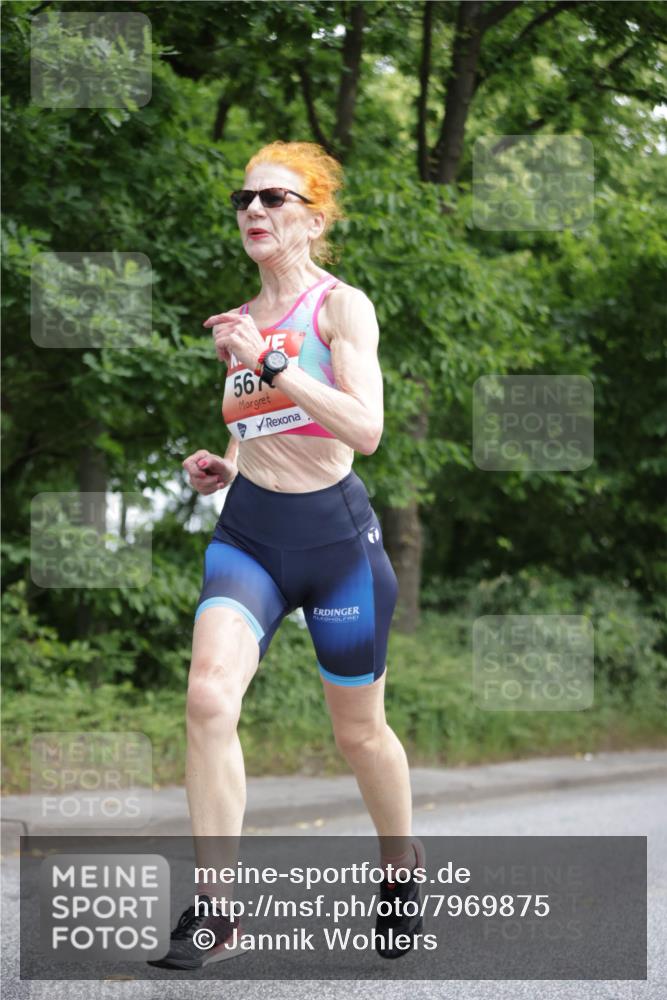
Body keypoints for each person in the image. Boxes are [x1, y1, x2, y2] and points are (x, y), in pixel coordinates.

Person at [152, 141, 425, 970]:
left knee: (360, 734)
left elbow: (364, 430)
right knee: (206, 699)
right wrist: (217, 469)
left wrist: (268, 359)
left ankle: (401, 867)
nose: (254, 211)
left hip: (337, 545)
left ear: (313, 217)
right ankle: (217, 911)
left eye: (275, 199)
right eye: (244, 198)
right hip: (250, 538)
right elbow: (261, 437)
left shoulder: (341, 310)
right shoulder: (234, 324)